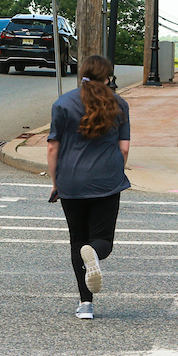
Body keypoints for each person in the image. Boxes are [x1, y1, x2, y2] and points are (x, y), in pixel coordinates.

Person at [47, 54, 131, 320]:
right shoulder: (119, 104)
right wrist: (116, 170)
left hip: (71, 181)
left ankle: (85, 304)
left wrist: (55, 182)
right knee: (103, 240)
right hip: (106, 181)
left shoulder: (63, 104)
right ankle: (94, 252)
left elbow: (52, 147)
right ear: (108, 77)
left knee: (77, 240)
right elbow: (124, 147)